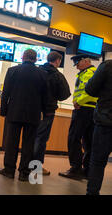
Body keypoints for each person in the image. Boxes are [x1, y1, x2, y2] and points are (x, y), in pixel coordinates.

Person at [0, 49, 48, 181]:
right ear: (36, 59)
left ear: (22, 57)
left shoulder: (13, 71)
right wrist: (44, 113)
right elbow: (45, 97)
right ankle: (24, 173)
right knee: (29, 144)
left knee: (11, 142)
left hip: (14, 112)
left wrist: (3, 111)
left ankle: (9, 170)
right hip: (33, 115)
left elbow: (6, 93)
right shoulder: (42, 74)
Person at [59, 55, 98, 180]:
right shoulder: (90, 73)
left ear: (86, 61)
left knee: (73, 138)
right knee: (88, 141)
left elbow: (90, 91)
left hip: (83, 109)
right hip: (92, 110)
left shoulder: (88, 74)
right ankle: (87, 170)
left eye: (78, 63)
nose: (76, 66)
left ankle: (75, 168)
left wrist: (78, 102)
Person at [34, 51, 71, 175]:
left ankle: (26, 163)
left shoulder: (37, 71)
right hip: (48, 112)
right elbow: (64, 95)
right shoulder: (57, 75)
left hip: (33, 110)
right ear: (57, 61)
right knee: (41, 138)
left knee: (31, 136)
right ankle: (36, 167)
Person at [85, 59, 112, 195]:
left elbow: (90, 89)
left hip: (105, 122)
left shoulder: (107, 66)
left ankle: (92, 193)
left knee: (97, 162)